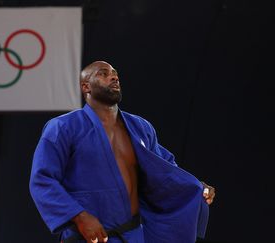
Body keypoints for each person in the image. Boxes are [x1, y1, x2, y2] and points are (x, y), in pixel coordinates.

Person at [29, 61, 215, 243]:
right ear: (86, 87)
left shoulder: (140, 127)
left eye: (115, 73)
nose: (113, 76)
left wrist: (196, 186)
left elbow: (165, 171)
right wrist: (79, 216)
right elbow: (42, 179)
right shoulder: (63, 127)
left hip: (132, 234)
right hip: (87, 236)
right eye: (103, 73)